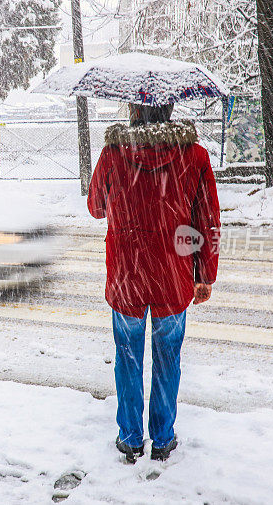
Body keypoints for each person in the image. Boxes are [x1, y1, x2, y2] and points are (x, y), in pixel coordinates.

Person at [87, 103, 220, 463]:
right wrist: (205, 274)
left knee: (128, 358)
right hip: (173, 277)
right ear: (170, 107)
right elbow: (207, 220)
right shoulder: (193, 155)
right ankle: (162, 438)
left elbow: (96, 207)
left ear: (133, 110)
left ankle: (130, 438)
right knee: (168, 359)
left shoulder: (114, 153)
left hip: (126, 275)